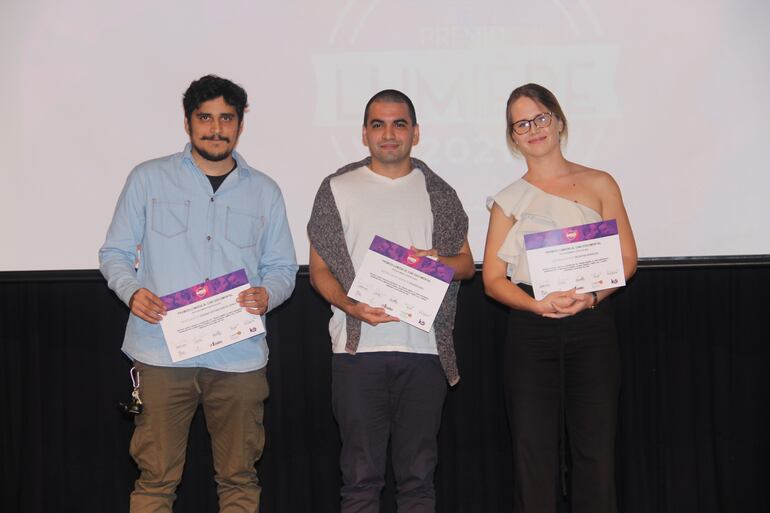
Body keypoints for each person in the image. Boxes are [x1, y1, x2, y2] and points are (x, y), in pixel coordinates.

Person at [99, 75, 297, 513]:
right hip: (161, 353)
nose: (216, 128)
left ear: (240, 123)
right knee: (155, 481)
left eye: (227, 118)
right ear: (188, 122)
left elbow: (283, 268)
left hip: (239, 357)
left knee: (240, 479)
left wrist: (268, 294)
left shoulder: (264, 191)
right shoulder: (148, 178)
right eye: (205, 118)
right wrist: (132, 292)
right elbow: (114, 253)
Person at [307, 89, 474, 513]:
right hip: (357, 352)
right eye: (378, 125)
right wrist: (350, 305)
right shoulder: (337, 188)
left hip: (424, 351)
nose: (389, 134)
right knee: (360, 480)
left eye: (399, 124)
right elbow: (319, 270)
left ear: (415, 133)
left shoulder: (439, 192)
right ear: (364, 133)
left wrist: (439, 262)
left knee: (419, 480)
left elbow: (467, 266)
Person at [482, 83, 637, 513]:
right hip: (531, 329)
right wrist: (535, 305)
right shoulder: (508, 201)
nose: (533, 129)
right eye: (521, 124)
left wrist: (591, 298)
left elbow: (626, 259)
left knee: (596, 450)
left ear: (559, 121)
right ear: (513, 138)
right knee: (533, 455)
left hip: (592, 323)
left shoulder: (600, 182)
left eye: (540, 118)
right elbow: (492, 279)